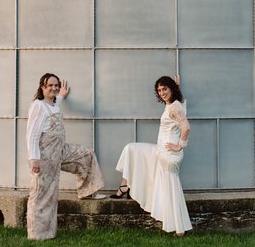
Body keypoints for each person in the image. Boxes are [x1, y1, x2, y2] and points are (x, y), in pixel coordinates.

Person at [26, 72, 106, 240]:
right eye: (50, 86)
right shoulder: (38, 105)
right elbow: (32, 134)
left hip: (60, 151)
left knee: (86, 154)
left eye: (56, 85)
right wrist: (34, 158)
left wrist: (61, 96)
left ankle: (87, 190)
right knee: (43, 194)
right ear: (42, 87)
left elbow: (55, 105)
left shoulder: (53, 104)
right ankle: (38, 234)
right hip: (45, 156)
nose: (54, 88)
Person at [113, 75, 192, 236]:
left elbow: (186, 127)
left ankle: (179, 228)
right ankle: (124, 186)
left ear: (171, 89)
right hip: (161, 150)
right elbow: (180, 106)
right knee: (131, 149)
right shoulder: (176, 103)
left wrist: (180, 146)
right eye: (159, 90)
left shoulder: (174, 108)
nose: (162, 93)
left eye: (165, 89)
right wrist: (176, 85)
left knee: (171, 189)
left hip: (167, 154)